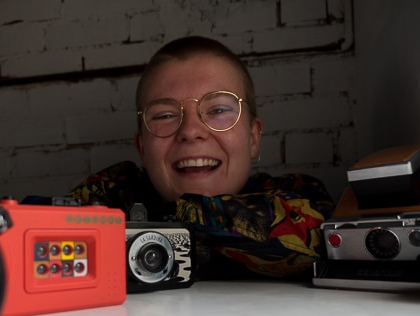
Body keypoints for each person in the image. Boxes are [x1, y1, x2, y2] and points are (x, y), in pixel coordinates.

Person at [69, 36, 334, 280]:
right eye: (165, 115)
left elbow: (320, 238)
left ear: (253, 138)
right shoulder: (112, 193)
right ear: (142, 149)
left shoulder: (298, 197)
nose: (191, 131)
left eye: (217, 109)